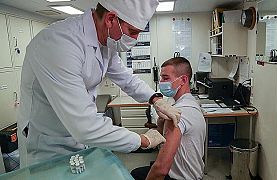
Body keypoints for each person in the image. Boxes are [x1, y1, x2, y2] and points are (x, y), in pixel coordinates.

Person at [17, 0, 181, 166]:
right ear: (110, 19)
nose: (135, 39)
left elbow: (125, 78)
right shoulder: (59, 43)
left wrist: (156, 99)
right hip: (48, 143)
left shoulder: (107, 42)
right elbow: (85, 127)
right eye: (132, 31)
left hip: (77, 136)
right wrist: (144, 140)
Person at [131, 57, 206, 180]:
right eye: (161, 77)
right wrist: (161, 124)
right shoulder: (190, 102)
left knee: (136, 174)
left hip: (181, 178)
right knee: (137, 173)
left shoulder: (178, 113)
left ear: (183, 80)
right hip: (194, 173)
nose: (161, 82)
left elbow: (161, 169)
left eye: (165, 78)